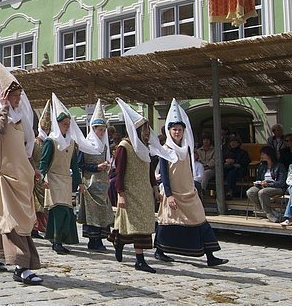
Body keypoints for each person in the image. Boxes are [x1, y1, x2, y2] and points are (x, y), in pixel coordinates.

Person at [0, 55, 41, 285]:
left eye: (17, 96)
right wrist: (4, 108)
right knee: (13, 221)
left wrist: (32, 169)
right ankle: (21, 266)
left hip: (20, 177)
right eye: (12, 96)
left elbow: (25, 150)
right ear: (3, 96)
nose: (16, 100)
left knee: (6, 219)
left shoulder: (21, 120)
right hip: (4, 178)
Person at [154, 99, 228, 267]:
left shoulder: (187, 148)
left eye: (180, 129)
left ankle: (210, 256)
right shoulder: (165, 150)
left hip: (188, 191)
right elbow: (165, 174)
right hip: (173, 192)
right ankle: (160, 250)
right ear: (169, 131)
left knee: (200, 220)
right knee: (168, 222)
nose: (177, 132)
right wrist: (169, 194)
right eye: (174, 130)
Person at [109, 98, 166, 274]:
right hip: (130, 190)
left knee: (138, 225)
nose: (147, 133)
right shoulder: (124, 147)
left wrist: (155, 188)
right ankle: (139, 260)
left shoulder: (144, 148)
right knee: (134, 225)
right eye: (144, 129)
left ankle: (117, 241)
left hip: (145, 192)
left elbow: (149, 169)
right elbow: (119, 171)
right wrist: (120, 193)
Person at [40, 93, 85, 255]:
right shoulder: (50, 141)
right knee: (58, 210)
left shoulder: (72, 143)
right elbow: (44, 162)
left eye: (68, 124)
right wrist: (43, 177)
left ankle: (61, 239)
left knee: (66, 211)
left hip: (66, 180)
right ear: (57, 125)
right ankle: (56, 241)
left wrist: (79, 182)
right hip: (53, 178)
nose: (66, 127)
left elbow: (74, 164)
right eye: (64, 124)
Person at [77, 99, 113, 251]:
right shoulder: (86, 144)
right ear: (93, 129)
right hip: (90, 183)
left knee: (102, 212)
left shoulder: (104, 146)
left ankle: (100, 239)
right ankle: (93, 241)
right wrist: (96, 167)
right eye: (99, 129)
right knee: (93, 213)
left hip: (102, 183)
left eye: (104, 130)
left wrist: (106, 166)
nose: (102, 132)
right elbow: (80, 164)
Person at [246, 146, 287, 222]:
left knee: (262, 192)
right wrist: (258, 183)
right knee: (250, 192)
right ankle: (268, 210)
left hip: (277, 187)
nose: (261, 156)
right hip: (263, 186)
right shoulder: (262, 166)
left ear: (269, 155)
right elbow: (259, 178)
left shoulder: (279, 166)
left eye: (263, 154)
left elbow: (281, 183)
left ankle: (269, 214)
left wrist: (268, 184)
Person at [30, 99, 51, 238]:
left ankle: (43, 226)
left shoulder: (51, 143)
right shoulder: (35, 142)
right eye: (44, 128)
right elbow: (30, 157)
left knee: (45, 203)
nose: (46, 131)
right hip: (34, 176)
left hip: (46, 177)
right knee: (35, 204)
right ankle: (34, 227)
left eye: (48, 129)